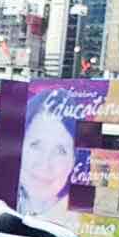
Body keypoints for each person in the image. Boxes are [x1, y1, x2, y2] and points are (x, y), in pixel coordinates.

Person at [17, 89, 78, 221]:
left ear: (73, 161)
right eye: (36, 145)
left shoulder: (87, 229)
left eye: (60, 151)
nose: (45, 164)